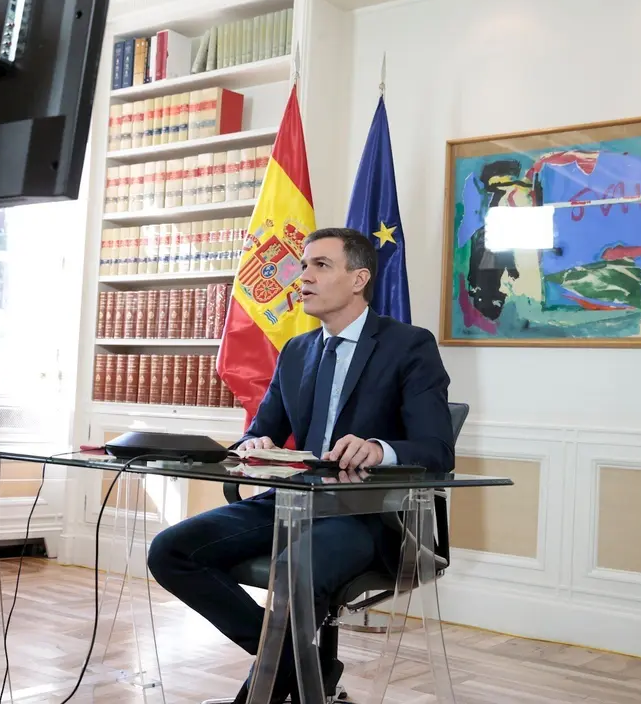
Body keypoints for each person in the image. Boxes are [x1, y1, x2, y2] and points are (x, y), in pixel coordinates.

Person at [146, 227, 454, 703]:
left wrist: (379, 447)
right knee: (169, 551)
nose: (302, 277)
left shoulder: (409, 346)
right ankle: (311, 666)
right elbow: (257, 431)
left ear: (359, 279)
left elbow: (437, 450)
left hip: (369, 513)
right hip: (289, 503)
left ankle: (262, 693)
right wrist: (254, 444)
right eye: (303, 265)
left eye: (320, 266)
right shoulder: (297, 351)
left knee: (294, 570)